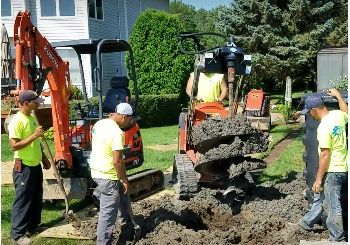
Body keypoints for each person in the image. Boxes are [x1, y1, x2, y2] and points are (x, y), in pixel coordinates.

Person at [299, 89, 348, 241]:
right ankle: (307, 222)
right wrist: (339, 97)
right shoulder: (338, 116)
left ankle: (337, 238)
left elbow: (325, 155)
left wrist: (319, 178)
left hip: (333, 170)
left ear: (314, 110)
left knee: (333, 205)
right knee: (320, 194)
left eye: (309, 112)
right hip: (343, 166)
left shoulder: (324, 127)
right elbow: (346, 111)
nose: (309, 115)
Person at [8, 90, 51, 245]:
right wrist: (34, 135)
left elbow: (36, 143)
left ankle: (32, 226)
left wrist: (44, 158)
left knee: (35, 197)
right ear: (26, 103)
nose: (38, 103)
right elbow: (14, 146)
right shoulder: (17, 121)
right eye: (35, 102)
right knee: (23, 199)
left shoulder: (32, 118)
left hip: (34, 165)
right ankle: (18, 234)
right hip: (23, 166)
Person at [89, 103, 134, 245]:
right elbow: (117, 162)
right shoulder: (117, 133)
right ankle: (103, 243)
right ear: (124, 117)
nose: (129, 123)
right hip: (108, 176)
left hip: (96, 171)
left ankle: (127, 223)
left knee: (122, 194)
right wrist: (125, 179)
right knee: (107, 215)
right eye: (130, 119)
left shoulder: (99, 124)